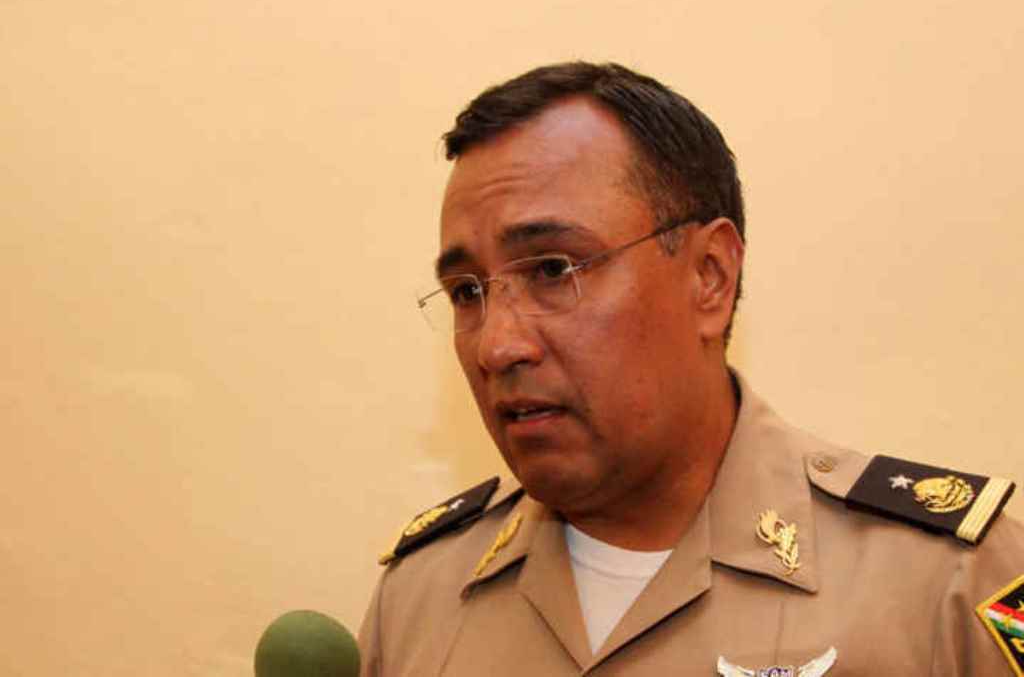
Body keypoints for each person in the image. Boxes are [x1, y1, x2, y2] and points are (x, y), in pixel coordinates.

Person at [358, 62, 1024, 676]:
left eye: (554, 270)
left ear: (710, 277)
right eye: (466, 292)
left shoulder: (950, 586)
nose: (497, 346)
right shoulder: (418, 601)